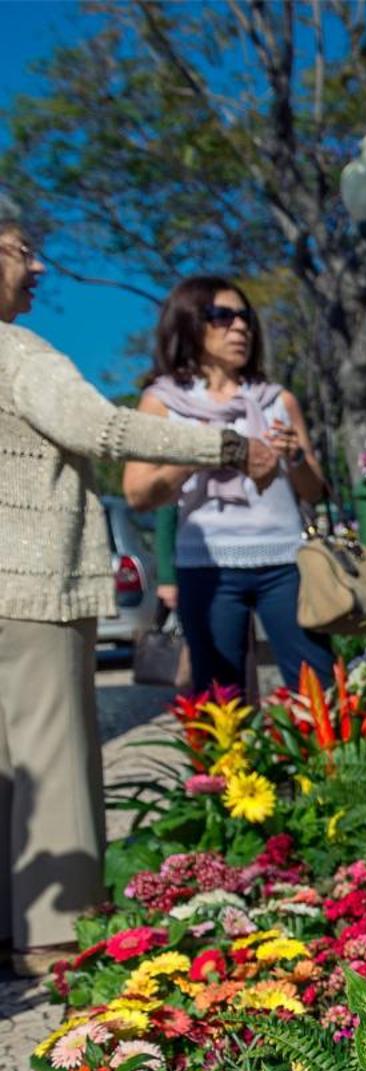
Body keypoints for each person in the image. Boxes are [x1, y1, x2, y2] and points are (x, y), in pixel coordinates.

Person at [0, 208, 275, 973]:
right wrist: (226, 443)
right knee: (51, 756)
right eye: (23, 251)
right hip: (31, 587)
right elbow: (102, 430)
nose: (39, 268)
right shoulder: (20, 353)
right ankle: (56, 936)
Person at [124, 278, 333, 693]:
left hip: (285, 562)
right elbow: (137, 493)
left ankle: (326, 760)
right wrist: (201, 452)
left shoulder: (277, 399)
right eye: (222, 316)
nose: (240, 327)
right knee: (221, 699)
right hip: (208, 566)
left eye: (245, 317)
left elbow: (314, 492)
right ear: (188, 323)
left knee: (318, 688)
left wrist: (292, 457)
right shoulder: (162, 402)